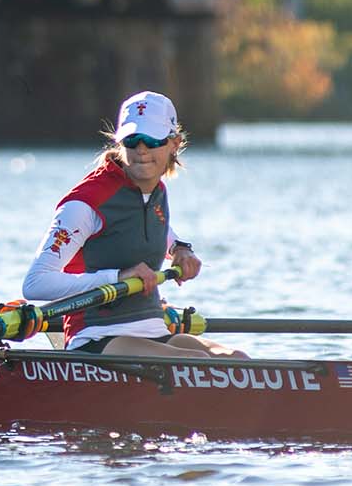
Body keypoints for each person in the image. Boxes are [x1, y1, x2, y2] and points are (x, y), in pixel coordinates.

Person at [20, 91, 235, 358]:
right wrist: (117, 278)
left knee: (236, 359)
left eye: (151, 139)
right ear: (120, 143)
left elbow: (151, 226)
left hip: (154, 330)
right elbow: (35, 283)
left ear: (174, 144)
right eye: (132, 140)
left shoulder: (155, 192)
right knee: (197, 362)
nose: (141, 149)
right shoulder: (85, 203)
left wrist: (180, 249)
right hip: (96, 337)